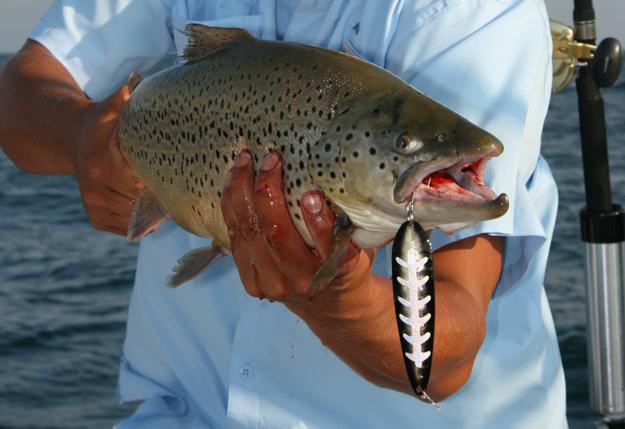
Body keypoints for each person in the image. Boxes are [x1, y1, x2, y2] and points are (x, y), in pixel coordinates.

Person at [0, 0, 566, 427]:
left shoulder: (481, 13)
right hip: (183, 410)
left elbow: (446, 356)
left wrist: (332, 296)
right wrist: (83, 138)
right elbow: (19, 94)